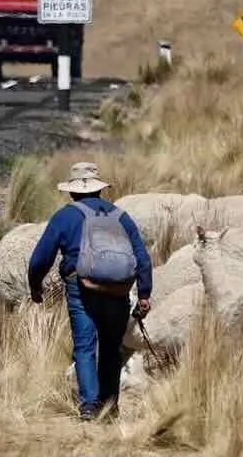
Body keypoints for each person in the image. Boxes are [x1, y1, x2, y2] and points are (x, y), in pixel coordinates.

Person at [27, 161, 153, 420]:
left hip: (80, 286)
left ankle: (89, 406)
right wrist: (144, 294)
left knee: (85, 345)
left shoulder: (65, 216)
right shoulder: (121, 216)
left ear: (72, 191)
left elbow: (41, 257)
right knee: (111, 346)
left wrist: (35, 285)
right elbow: (142, 257)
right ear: (99, 190)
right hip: (119, 288)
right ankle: (110, 406)